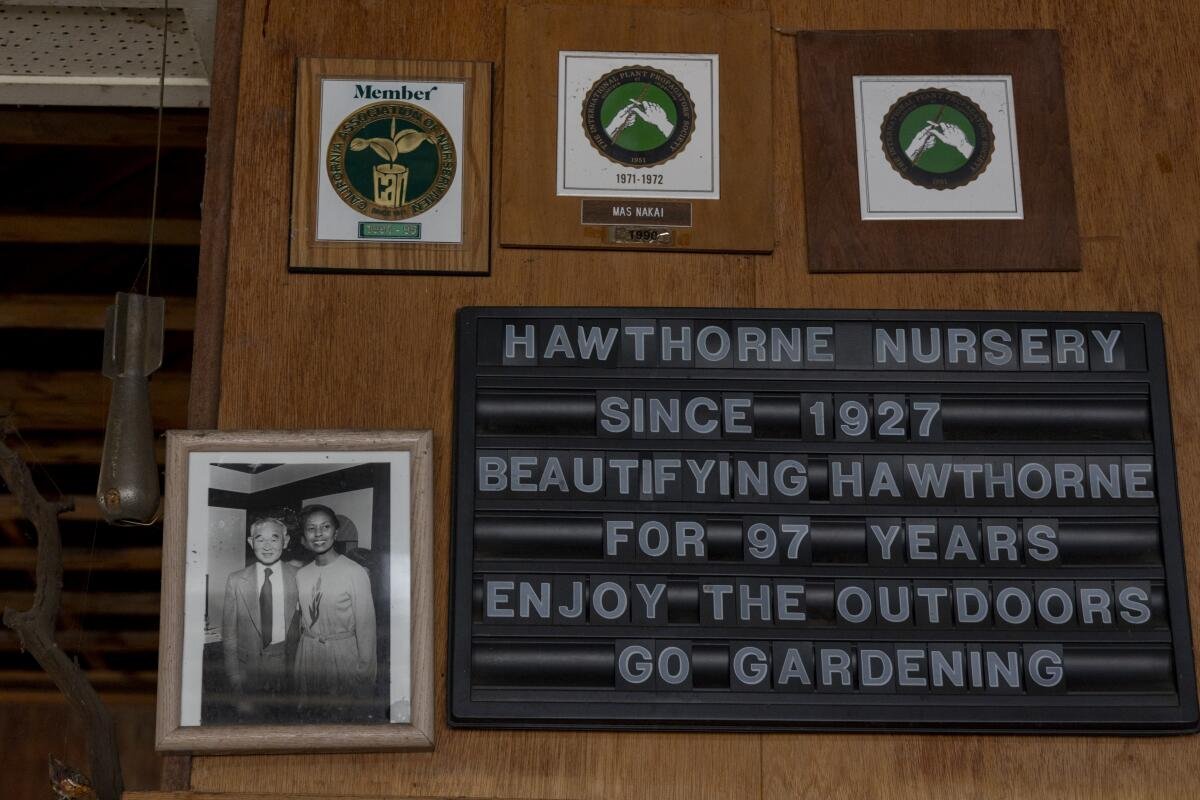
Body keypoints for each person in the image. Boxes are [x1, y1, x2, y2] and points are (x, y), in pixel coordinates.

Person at [293, 504, 377, 709]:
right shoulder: (301, 574)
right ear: (304, 536)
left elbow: (367, 628)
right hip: (308, 656)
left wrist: (364, 675)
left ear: (336, 532)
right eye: (311, 528)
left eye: (325, 527)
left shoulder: (354, 572)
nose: (318, 534)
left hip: (342, 656)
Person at [220, 515, 301, 718]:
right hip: (249, 672)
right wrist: (235, 680)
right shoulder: (236, 580)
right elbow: (229, 636)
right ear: (250, 542)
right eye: (259, 539)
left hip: (288, 668)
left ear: (286, 541)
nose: (267, 546)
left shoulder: (300, 576)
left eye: (274, 538)